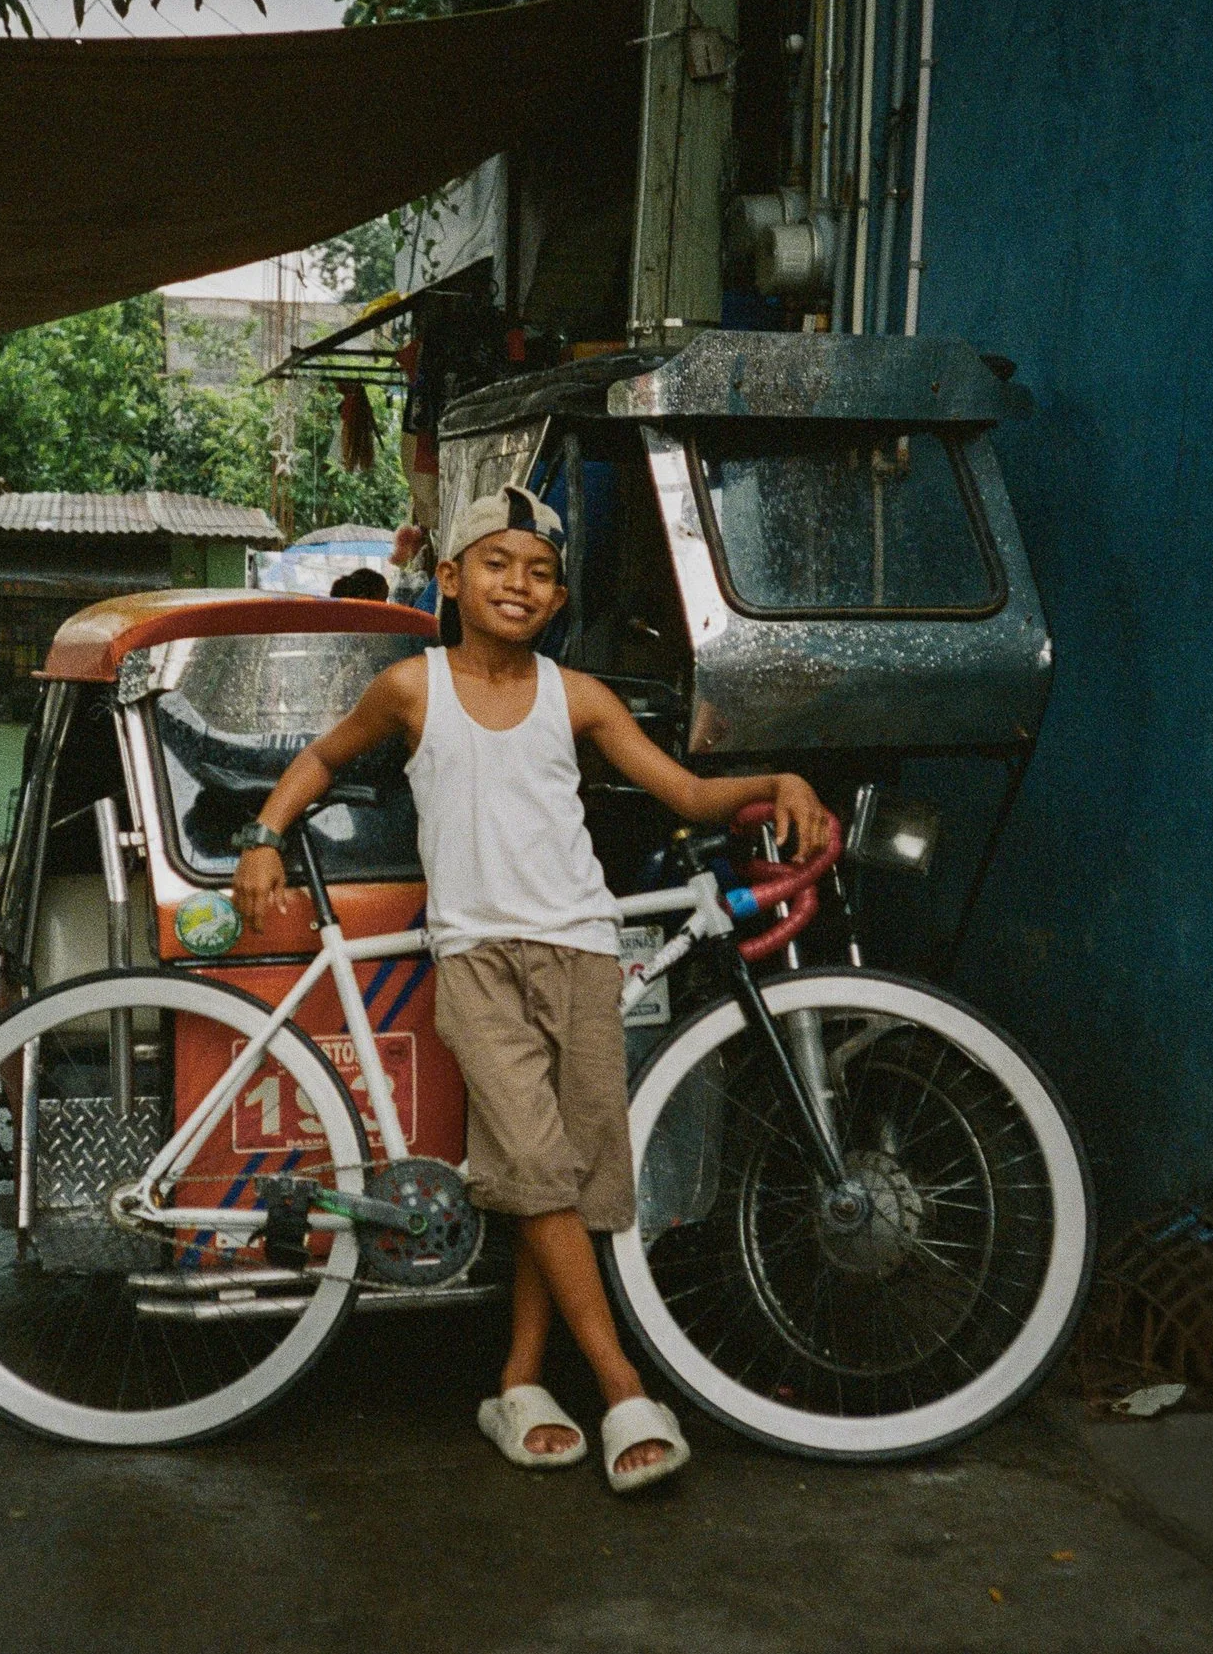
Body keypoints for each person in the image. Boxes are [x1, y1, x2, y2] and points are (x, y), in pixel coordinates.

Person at [230, 484, 832, 1495]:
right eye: (497, 564)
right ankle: (619, 1384)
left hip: (581, 951)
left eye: (540, 572)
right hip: (475, 959)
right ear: (453, 578)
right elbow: (325, 757)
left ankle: (516, 1380)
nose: (519, 583)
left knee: (562, 1177)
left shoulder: (577, 695)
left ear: (557, 599)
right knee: (537, 1164)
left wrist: (781, 784)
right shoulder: (411, 688)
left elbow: (685, 792)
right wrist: (262, 835)